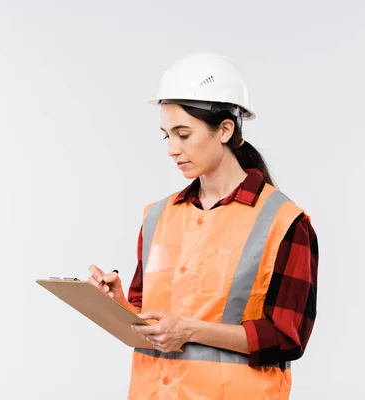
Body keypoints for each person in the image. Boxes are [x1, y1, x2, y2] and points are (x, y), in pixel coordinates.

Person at [87, 52, 318, 400]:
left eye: (183, 134)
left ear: (225, 130)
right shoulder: (157, 216)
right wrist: (119, 303)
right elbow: (150, 323)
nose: (172, 149)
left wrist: (190, 331)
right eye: (167, 136)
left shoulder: (284, 222)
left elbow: (286, 338)